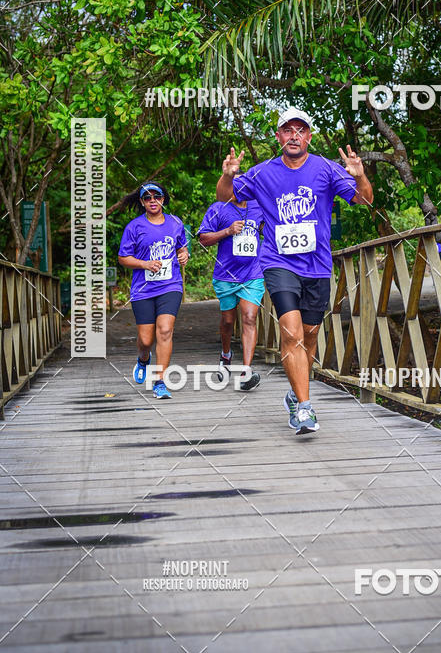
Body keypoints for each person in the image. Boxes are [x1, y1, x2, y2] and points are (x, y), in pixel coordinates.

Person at [216, 106, 373, 434]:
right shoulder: (262, 173)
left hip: (317, 266)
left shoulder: (327, 169)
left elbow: (364, 199)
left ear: (309, 136)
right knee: (291, 332)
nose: (294, 136)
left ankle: (295, 391)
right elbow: (226, 198)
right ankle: (304, 408)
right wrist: (228, 175)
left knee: (310, 334)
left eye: (301, 130)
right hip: (278, 262)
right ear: (278, 136)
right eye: (288, 130)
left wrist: (359, 175)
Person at [118, 182, 189, 399]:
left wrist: (185, 254)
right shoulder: (134, 227)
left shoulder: (175, 223)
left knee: (165, 330)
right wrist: (144, 264)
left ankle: (160, 382)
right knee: (146, 340)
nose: (152, 201)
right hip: (143, 289)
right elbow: (123, 258)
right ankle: (143, 358)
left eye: (156, 196)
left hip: (170, 285)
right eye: (147, 198)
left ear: (163, 199)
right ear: (142, 202)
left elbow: (182, 246)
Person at [197, 198, 265, 391]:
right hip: (225, 275)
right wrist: (227, 231)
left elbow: (269, 227)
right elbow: (203, 239)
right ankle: (226, 354)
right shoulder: (219, 208)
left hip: (252, 274)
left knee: (250, 318)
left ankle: (246, 371)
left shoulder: (258, 206)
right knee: (228, 321)